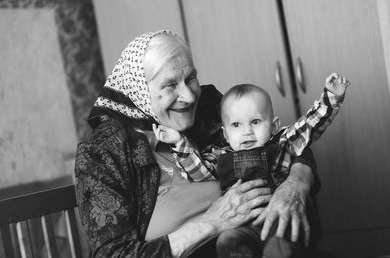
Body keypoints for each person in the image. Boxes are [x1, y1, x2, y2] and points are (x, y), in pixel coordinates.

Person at [74, 30, 320, 258]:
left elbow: (284, 144)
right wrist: (212, 222)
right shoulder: (103, 154)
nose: (190, 95)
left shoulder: (209, 108)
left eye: (190, 77)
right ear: (139, 91)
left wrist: (296, 185)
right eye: (170, 85)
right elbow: (114, 254)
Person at [153, 75, 349, 257]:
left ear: (273, 126)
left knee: (281, 240)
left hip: (278, 218)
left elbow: (309, 126)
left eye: (255, 122)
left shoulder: (282, 144)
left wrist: (331, 98)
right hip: (242, 226)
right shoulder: (220, 156)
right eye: (236, 125)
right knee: (226, 241)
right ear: (226, 134)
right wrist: (179, 142)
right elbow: (199, 172)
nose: (247, 131)